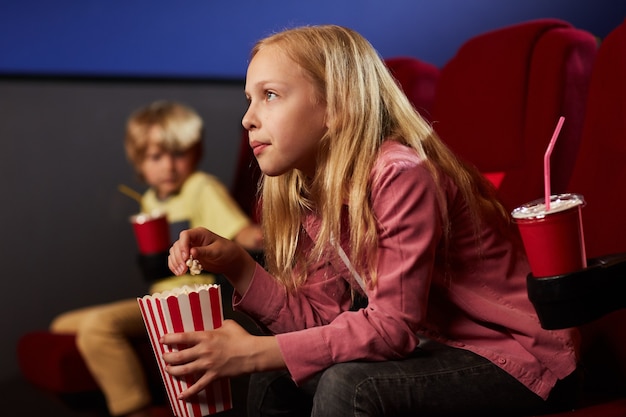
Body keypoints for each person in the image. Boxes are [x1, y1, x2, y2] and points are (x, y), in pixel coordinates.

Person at [163, 25, 581, 417]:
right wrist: (239, 266)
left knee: (350, 386)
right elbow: (323, 327)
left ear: (337, 106)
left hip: (516, 358)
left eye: (270, 95)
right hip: (435, 348)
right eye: (249, 99)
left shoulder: (400, 173)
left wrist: (255, 350)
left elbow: (393, 328)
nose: (248, 117)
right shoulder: (316, 194)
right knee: (278, 371)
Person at [50, 100, 263, 417]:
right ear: (140, 163)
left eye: (178, 153)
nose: (169, 166)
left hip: (192, 298)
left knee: (99, 326)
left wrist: (269, 236)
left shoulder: (200, 187)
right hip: (159, 297)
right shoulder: (149, 199)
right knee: (62, 324)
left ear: (196, 152)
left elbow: (242, 232)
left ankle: (135, 409)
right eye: (156, 157)